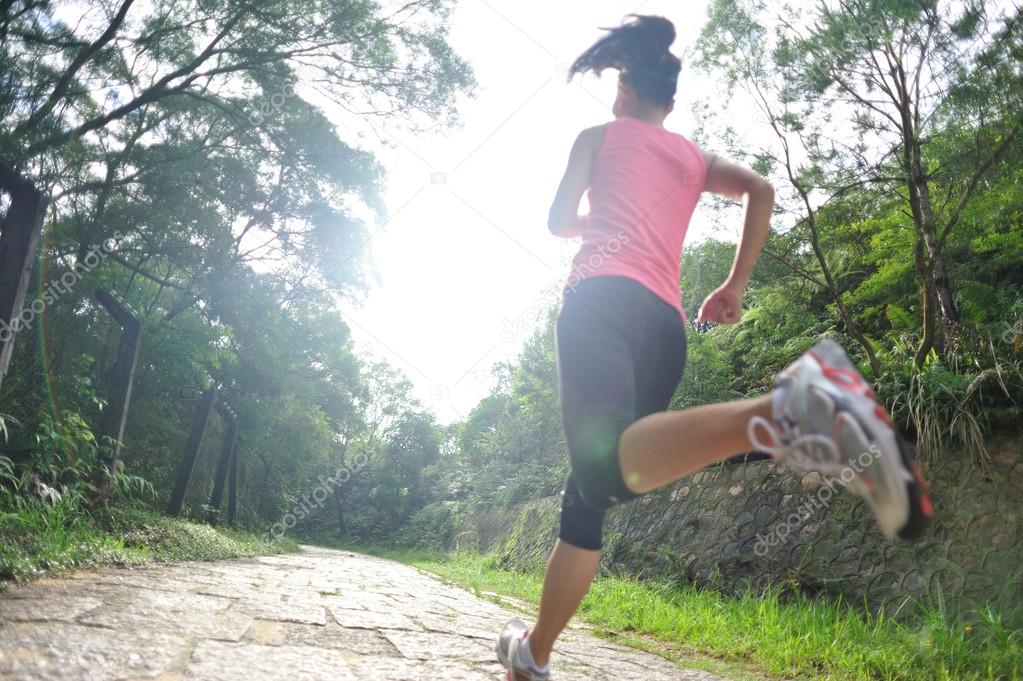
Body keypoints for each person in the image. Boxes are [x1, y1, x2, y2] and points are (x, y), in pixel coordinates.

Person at [495, 14, 933, 681]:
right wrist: (732, 285)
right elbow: (760, 187)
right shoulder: (692, 157)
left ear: (621, 93)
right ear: (669, 102)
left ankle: (793, 407)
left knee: (607, 472)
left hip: (599, 303)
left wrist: (599, 221)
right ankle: (534, 654)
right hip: (663, 324)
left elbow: (558, 221)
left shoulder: (597, 136)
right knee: (589, 494)